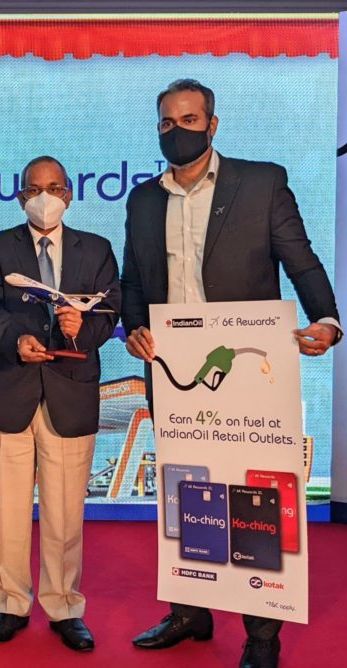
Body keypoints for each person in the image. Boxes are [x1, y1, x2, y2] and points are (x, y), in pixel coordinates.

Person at [122, 79, 341, 668]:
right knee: (187, 493)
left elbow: (301, 259)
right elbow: (135, 285)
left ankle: (261, 636)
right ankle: (191, 613)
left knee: (251, 498)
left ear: (213, 125)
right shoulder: (143, 201)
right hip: (173, 374)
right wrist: (133, 327)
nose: (178, 130)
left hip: (248, 374)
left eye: (189, 120)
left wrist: (327, 318)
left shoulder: (261, 181)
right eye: (167, 122)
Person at [0, 156, 119, 652]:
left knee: (63, 514)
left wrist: (87, 328)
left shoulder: (95, 248)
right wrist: (15, 340)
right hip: (10, 387)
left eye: (54, 187)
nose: (44, 196)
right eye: (34, 188)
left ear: (70, 194)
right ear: (20, 197)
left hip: (70, 389)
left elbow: (112, 307)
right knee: (5, 512)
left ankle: (63, 606)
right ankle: (10, 604)